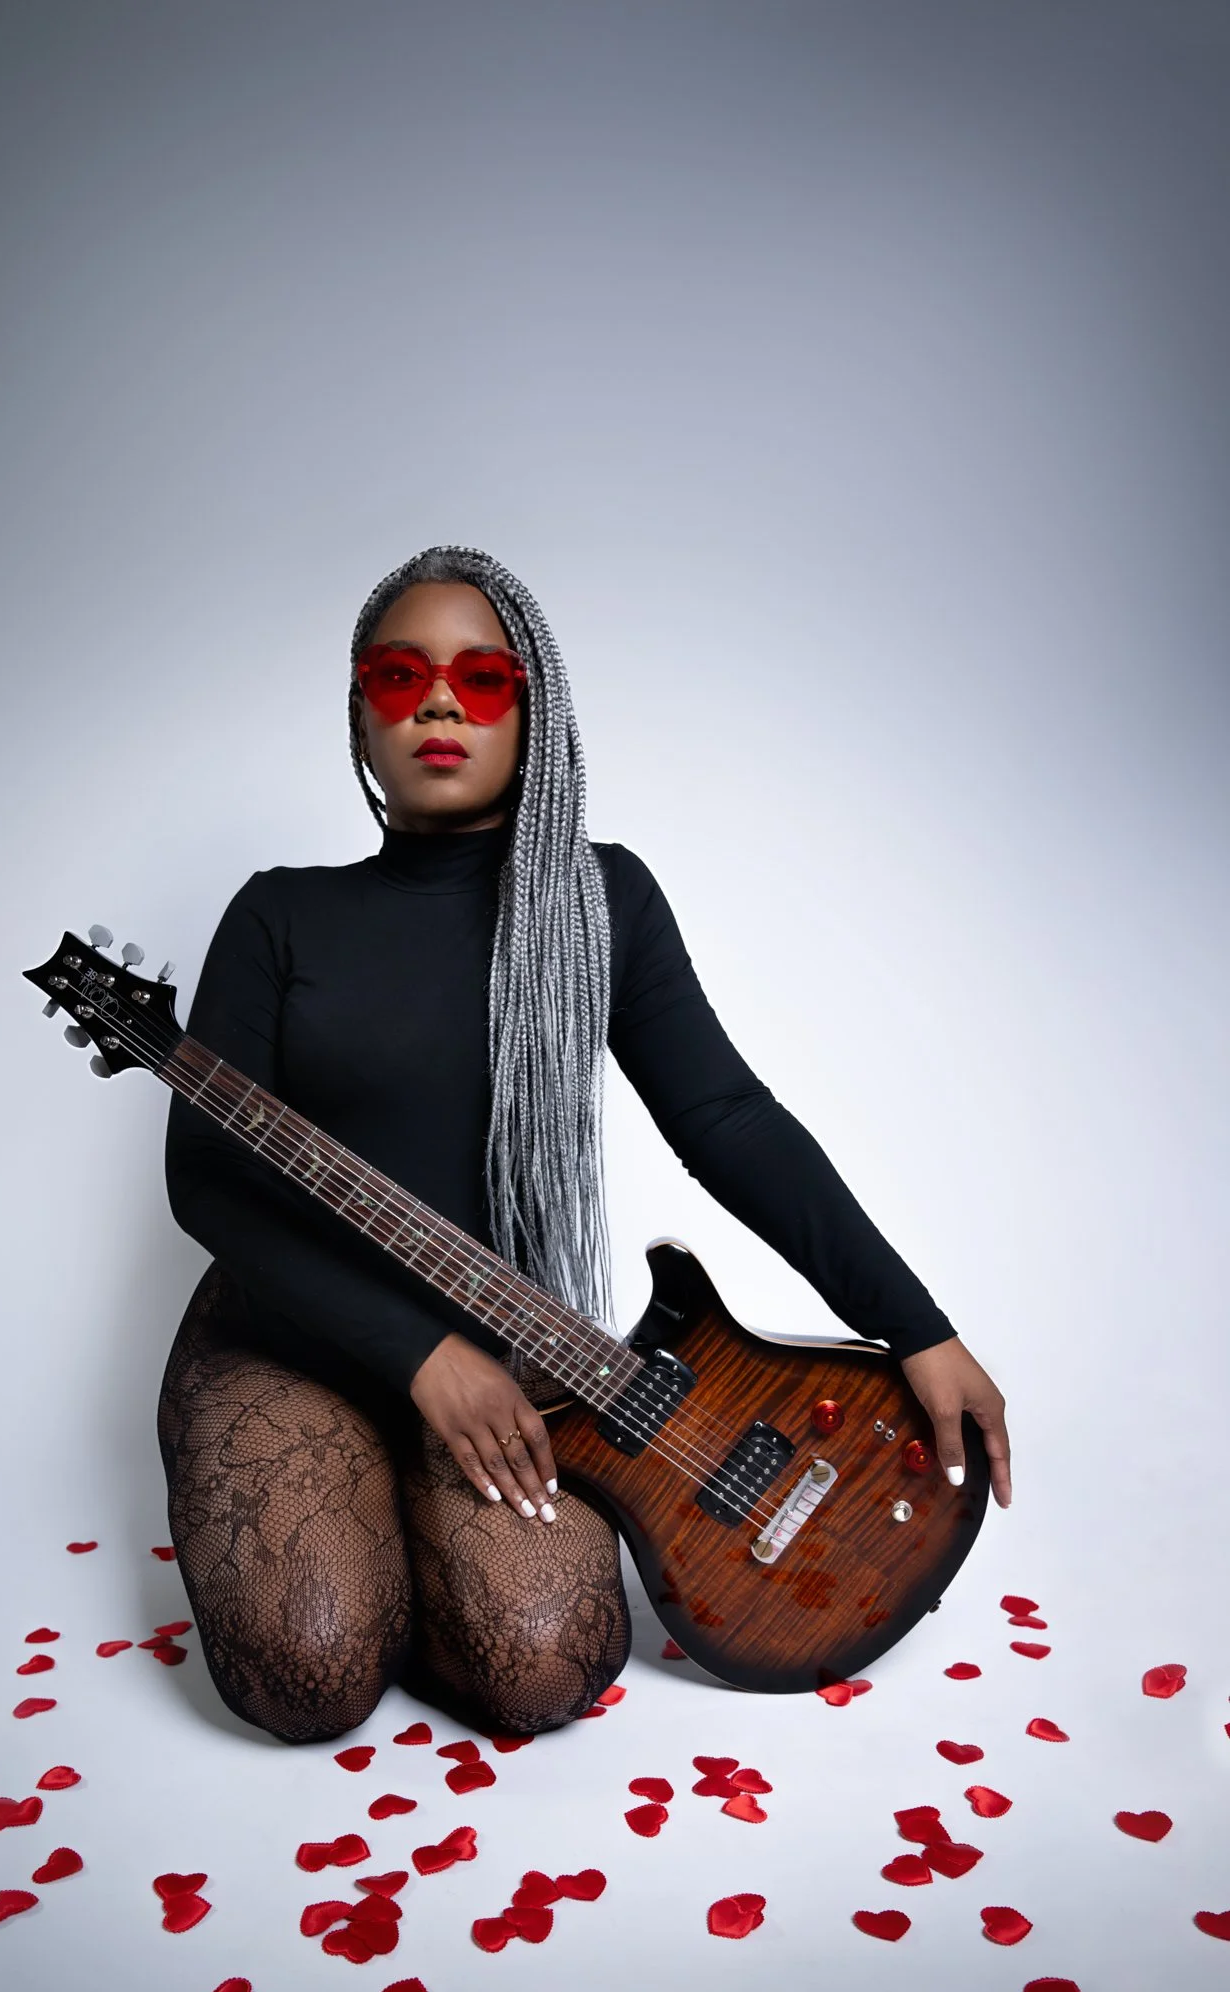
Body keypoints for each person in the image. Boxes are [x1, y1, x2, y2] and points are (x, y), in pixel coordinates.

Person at [159, 542, 1011, 1745]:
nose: (440, 704)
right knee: (310, 1674)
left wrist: (912, 1322)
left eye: (480, 678)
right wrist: (418, 1357)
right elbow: (206, 1178)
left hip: (503, 1351)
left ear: (534, 711)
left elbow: (725, 1119)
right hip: (287, 1343)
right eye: (400, 676)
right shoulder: (277, 914)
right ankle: (367, 1525)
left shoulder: (602, 902)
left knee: (543, 1667)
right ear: (360, 713)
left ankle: (407, 1532)